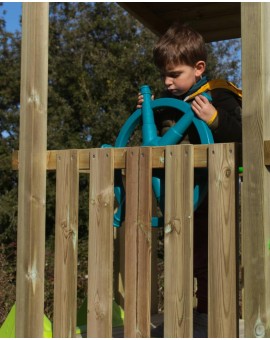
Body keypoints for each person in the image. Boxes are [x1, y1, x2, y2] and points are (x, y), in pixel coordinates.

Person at [138, 22, 242, 337]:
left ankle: (210, 317)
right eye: (164, 76)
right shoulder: (174, 103)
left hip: (214, 194)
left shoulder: (219, 96)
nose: (168, 83)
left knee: (212, 258)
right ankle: (181, 316)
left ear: (198, 69)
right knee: (180, 255)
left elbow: (241, 136)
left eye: (174, 74)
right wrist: (147, 114)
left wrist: (215, 118)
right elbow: (157, 136)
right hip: (180, 193)